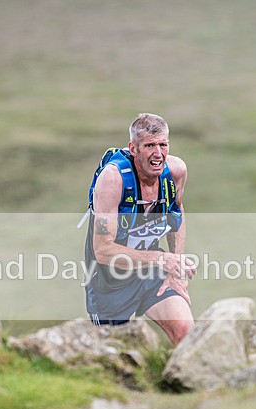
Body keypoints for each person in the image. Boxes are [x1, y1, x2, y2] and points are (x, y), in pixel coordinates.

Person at [84, 113, 196, 345]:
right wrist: (161, 259)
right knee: (116, 355)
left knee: (187, 333)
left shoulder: (175, 172)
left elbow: (177, 212)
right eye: (149, 146)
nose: (158, 154)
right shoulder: (113, 180)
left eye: (163, 145)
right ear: (133, 148)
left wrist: (176, 265)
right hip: (110, 281)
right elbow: (103, 251)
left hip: (152, 272)